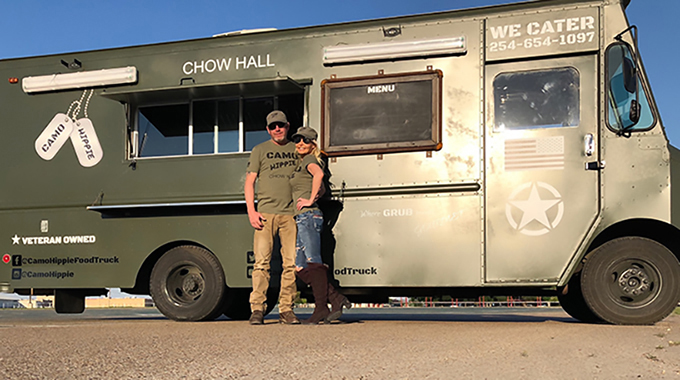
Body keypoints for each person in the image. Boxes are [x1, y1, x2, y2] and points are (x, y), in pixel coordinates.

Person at [289, 126, 351, 324]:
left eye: (305, 140)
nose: (300, 143)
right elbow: (321, 186)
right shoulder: (303, 162)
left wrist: (309, 200)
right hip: (302, 218)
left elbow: (319, 177)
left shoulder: (310, 160)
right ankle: (335, 298)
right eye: (298, 139)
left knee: (314, 262)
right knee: (299, 266)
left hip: (308, 216)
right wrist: (314, 195)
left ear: (313, 144)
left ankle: (321, 308)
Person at [245, 110, 300, 325]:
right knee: (261, 264)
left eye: (281, 125)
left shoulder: (297, 149)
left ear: (288, 126)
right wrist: (252, 211)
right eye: (273, 126)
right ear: (268, 130)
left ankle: (286, 309)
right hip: (265, 214)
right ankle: (257, 309)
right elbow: (250, 182)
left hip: (290, 215)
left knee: (291, 264)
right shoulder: (260, 150)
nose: (277, 129)